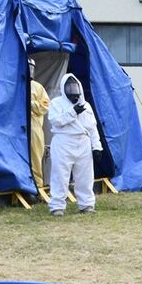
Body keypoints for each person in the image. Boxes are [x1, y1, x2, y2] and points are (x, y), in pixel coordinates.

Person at [47, 73, 101, 216]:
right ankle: (57, 206)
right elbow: (56, 121)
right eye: (69, 87)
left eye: (74, 87)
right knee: (60, 175)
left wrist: (97, 147)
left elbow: (92, 127)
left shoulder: (86, 105)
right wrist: (72, 112)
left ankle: (87, 204)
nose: (72, 91)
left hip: (83, 143)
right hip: (63, 142)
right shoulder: (56, 103)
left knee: (85, 176)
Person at [27, 57, 50, 193]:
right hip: (16, 128)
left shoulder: (37, 87)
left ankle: (38, 188)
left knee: (36, 157)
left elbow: (45, 105)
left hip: (34, 128)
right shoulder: (15, 84)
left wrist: (31, 104)